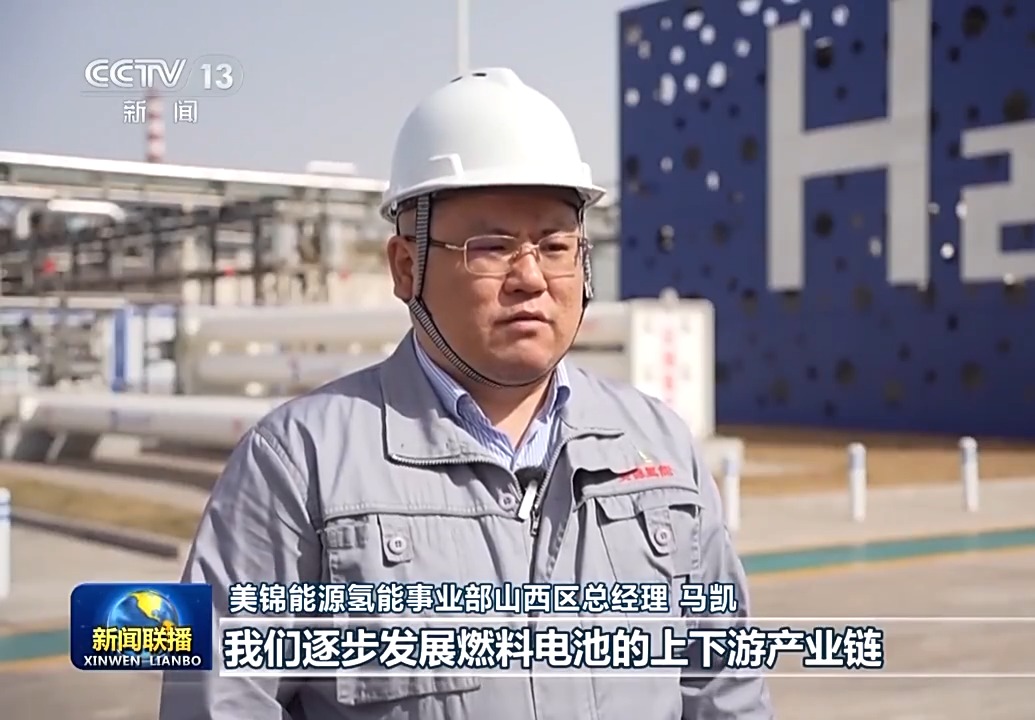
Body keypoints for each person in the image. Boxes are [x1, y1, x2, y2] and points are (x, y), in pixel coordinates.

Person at [158, 67, 774, 719]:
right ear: (406, 267)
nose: (531, 277)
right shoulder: (299, 465)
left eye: (556, 245)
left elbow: (726, 692)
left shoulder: (660, 448)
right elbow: (219, 704)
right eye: (492, 247)